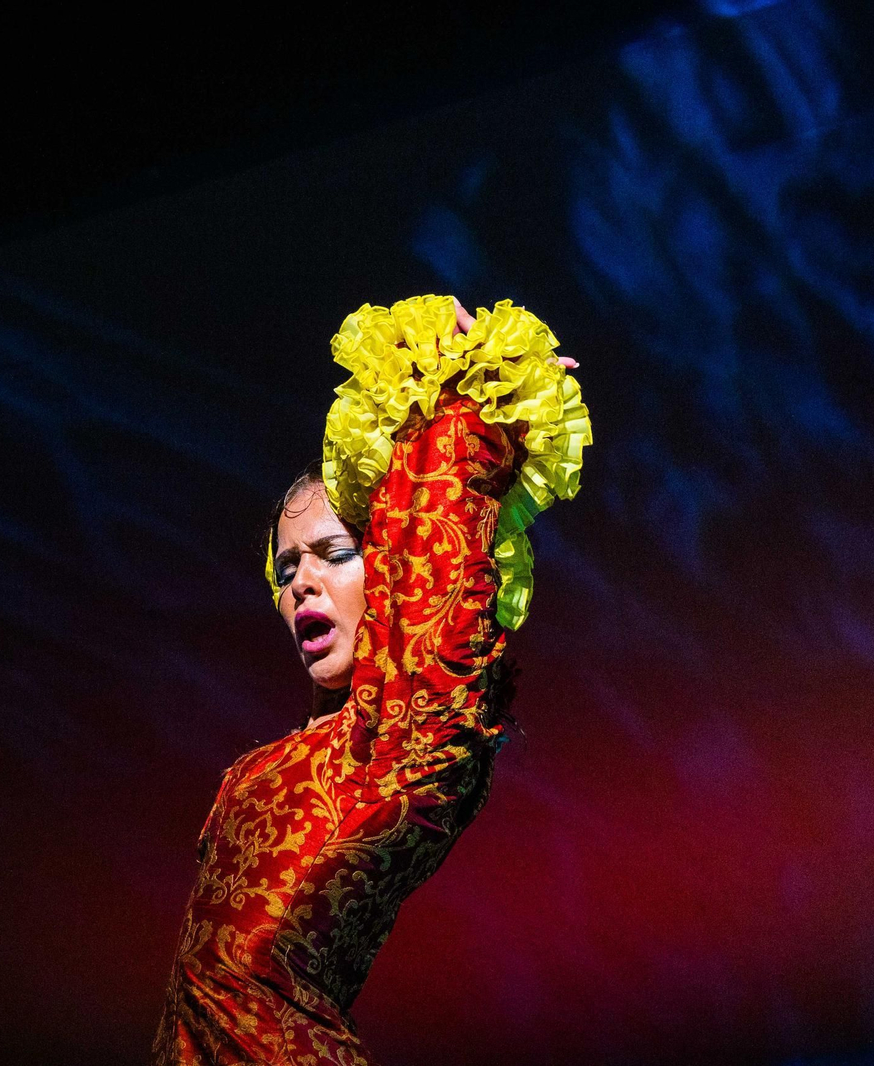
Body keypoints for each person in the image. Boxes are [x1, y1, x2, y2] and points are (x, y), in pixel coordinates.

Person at [152, 295, 590, 1064]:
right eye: (286, 568)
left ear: (391, 568)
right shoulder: (268, 768)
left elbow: (431, 554)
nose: (301, 586)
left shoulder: (408, 739)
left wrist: (469, 400)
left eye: (334, 554)